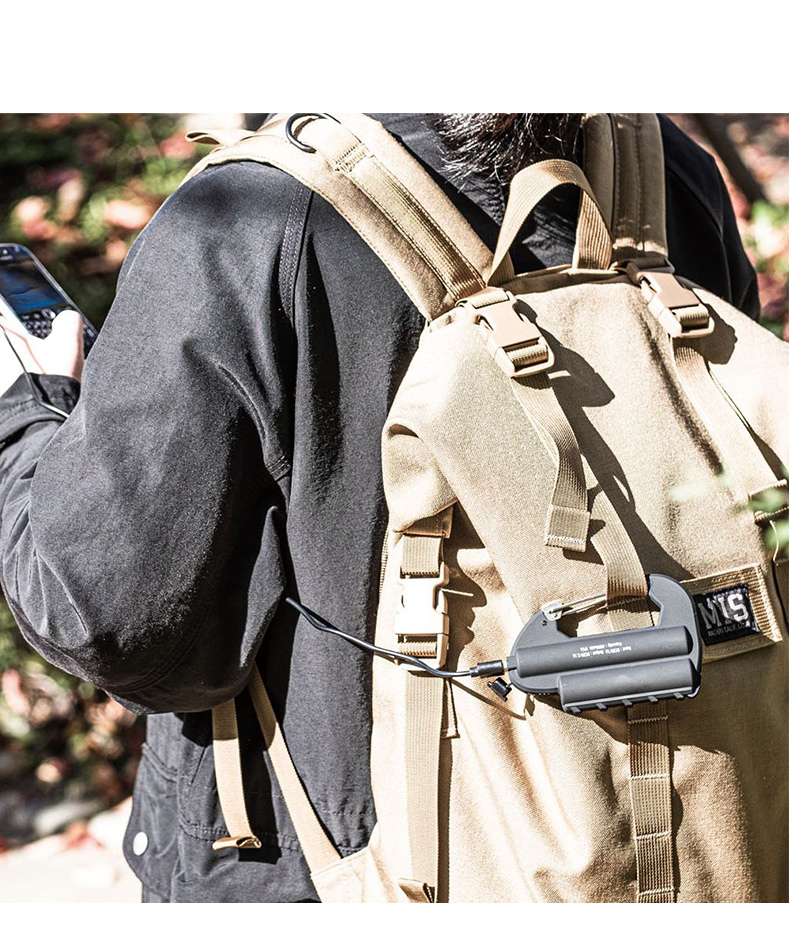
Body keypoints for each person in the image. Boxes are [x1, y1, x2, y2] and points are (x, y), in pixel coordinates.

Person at [0, 113, 761, 903]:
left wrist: (26, 415)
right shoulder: (658, 167)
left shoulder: (244, 220)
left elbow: (109, 621)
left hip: (341, 867)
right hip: (692, 829)